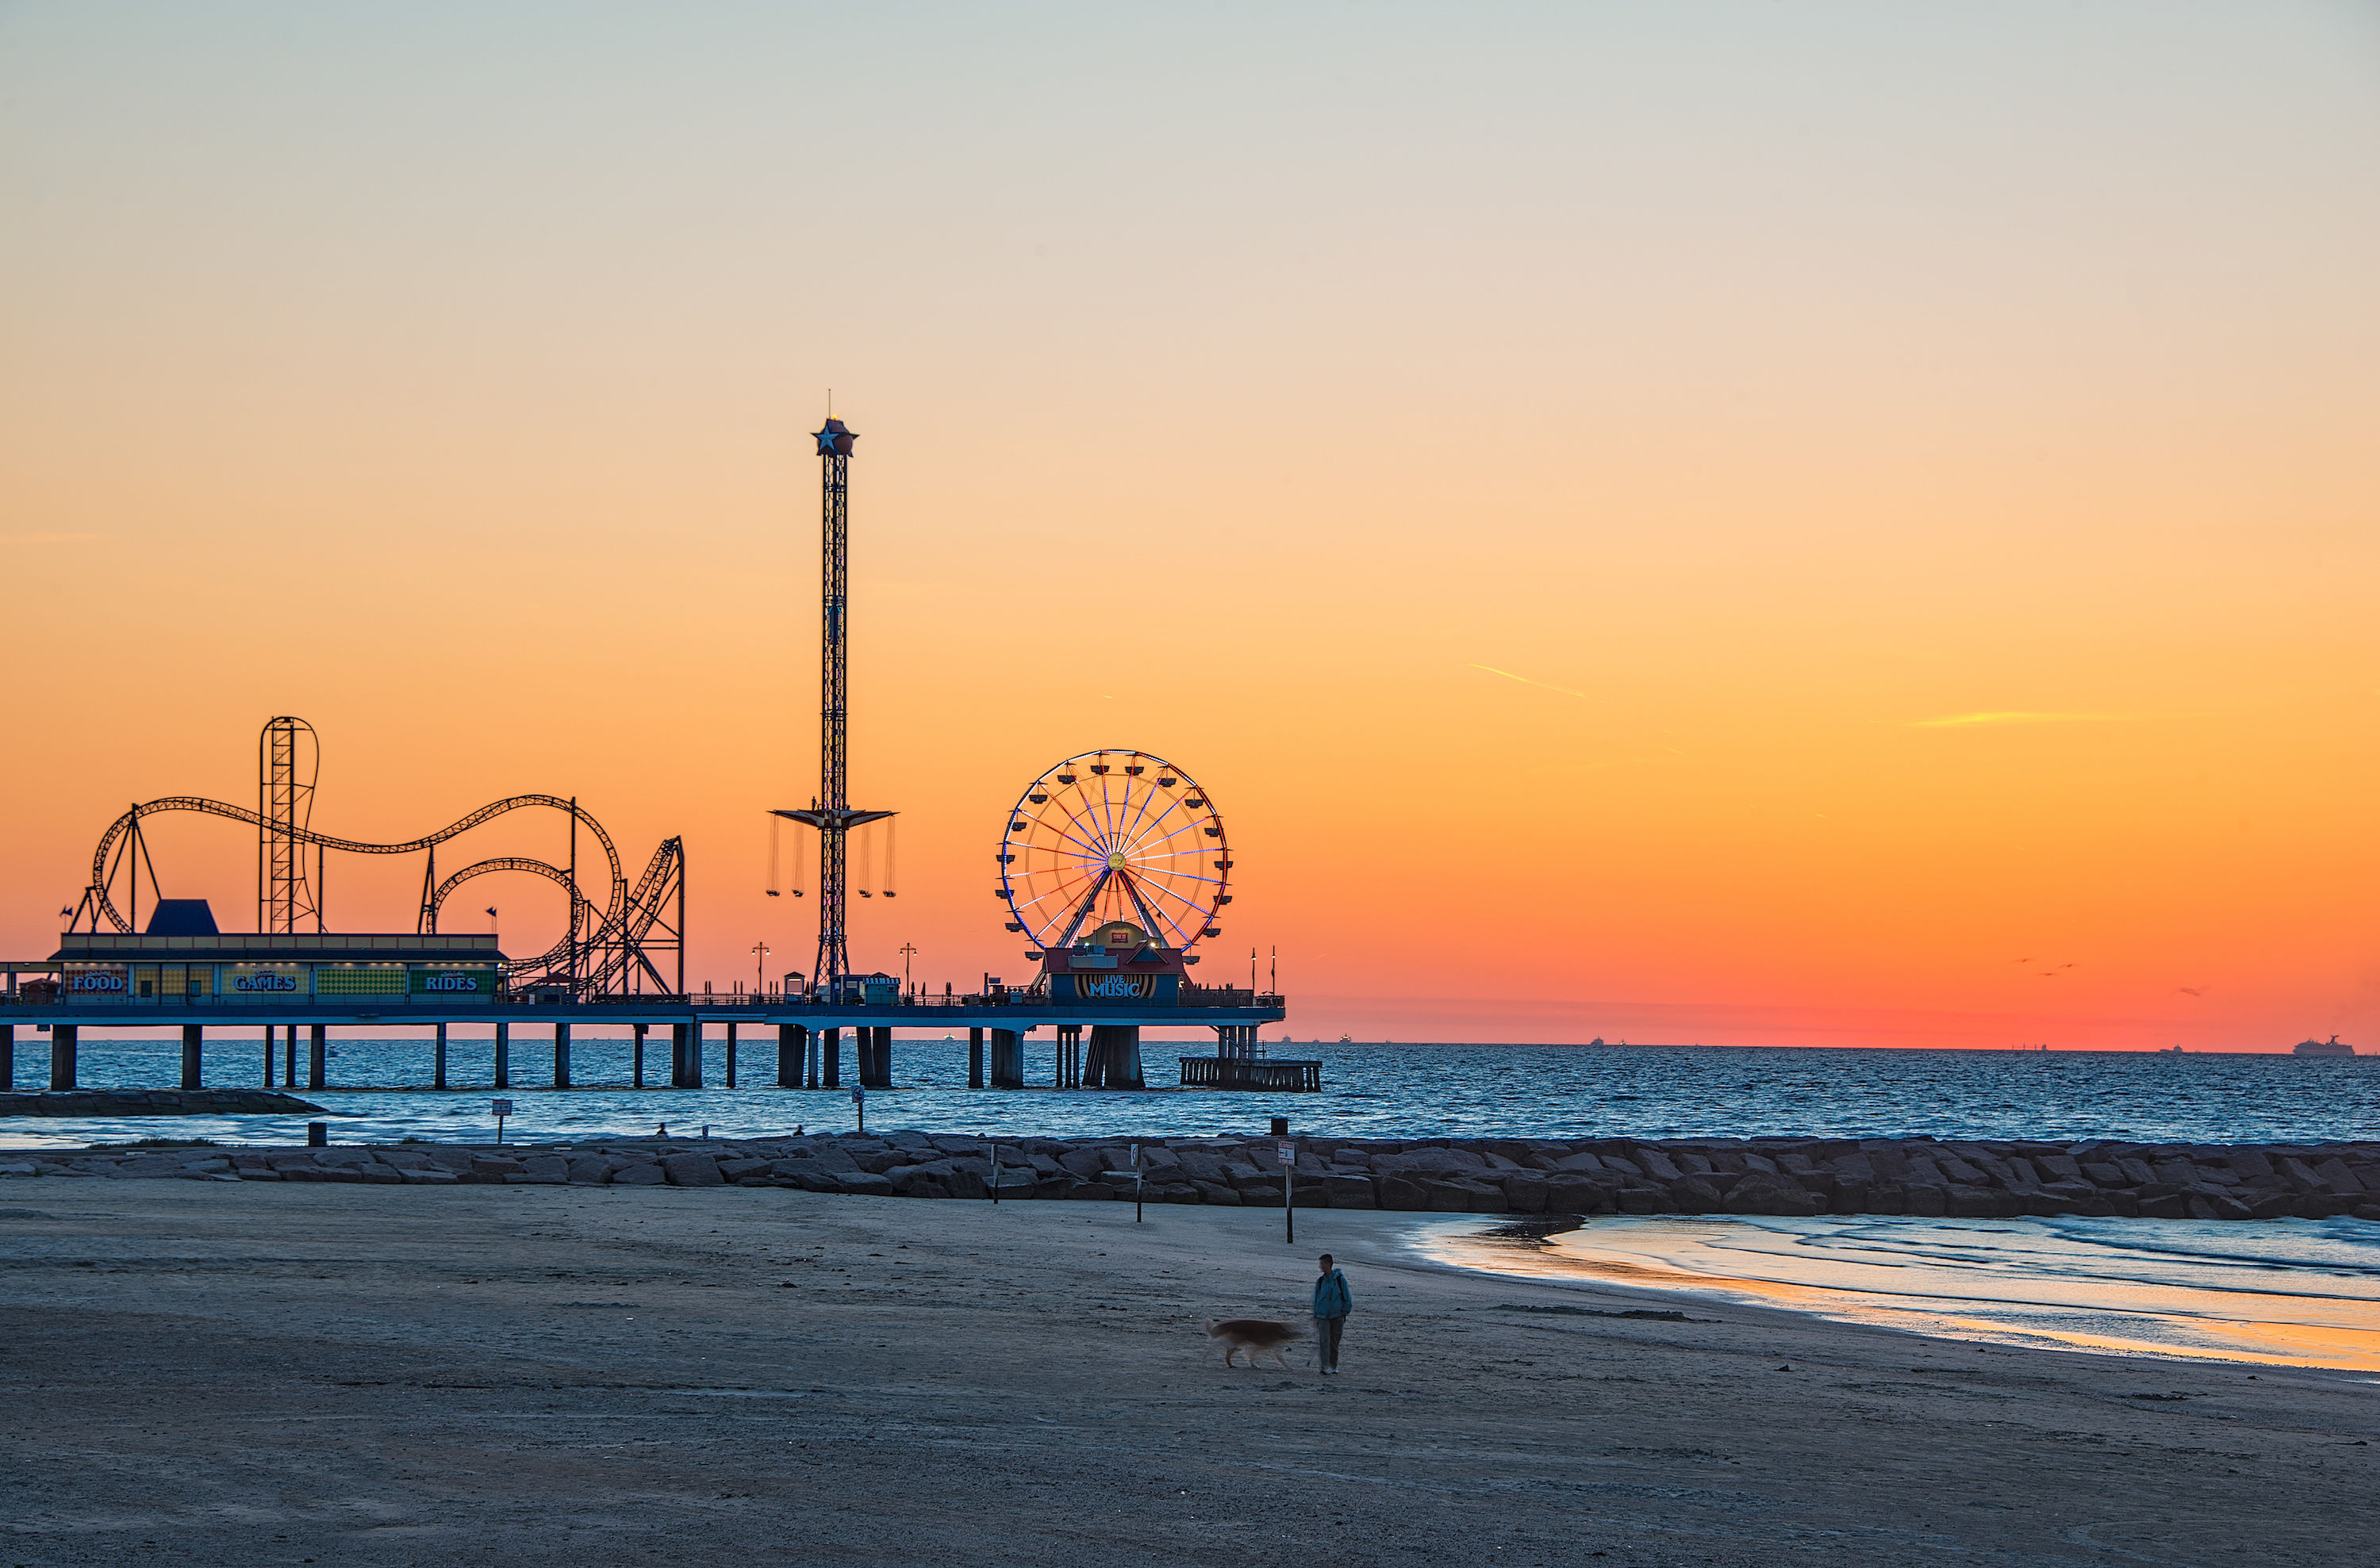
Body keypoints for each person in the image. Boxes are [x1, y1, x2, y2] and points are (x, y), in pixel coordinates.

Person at [1311, 1253, 1352, 1374]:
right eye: (1320, 1264)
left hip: (1337, 1315)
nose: (1321, 1266)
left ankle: (1333, 1366)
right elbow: (1316, 1299)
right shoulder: (1320, 1281)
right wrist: (1315, 1316)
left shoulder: (1340, 1280)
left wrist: (1344, 1313)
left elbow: (1347, 1298)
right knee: (1324, 1341)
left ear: (1329, 1264)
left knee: (1334, 1342)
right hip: (1322, 1316)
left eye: (1322, 1264)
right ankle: (1324, 1367)